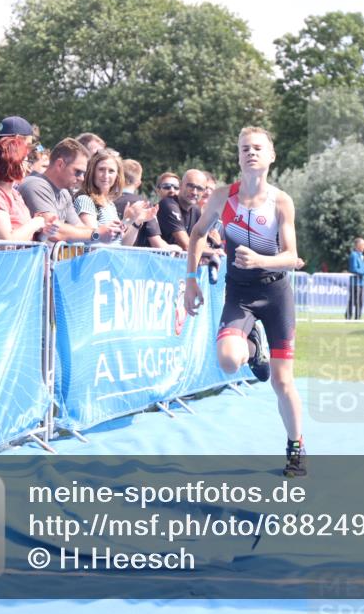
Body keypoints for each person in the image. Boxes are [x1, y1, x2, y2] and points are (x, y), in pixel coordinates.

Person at [184, 127, 304, 477]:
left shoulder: (281, 201)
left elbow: (292, 256)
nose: (251, 153)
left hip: (276, 293)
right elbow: (196, 235)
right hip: (240, 292)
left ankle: (296, 448)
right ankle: (252, 346)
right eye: (244, 149)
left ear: (271, 156)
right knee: (228, 361)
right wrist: (191, 282)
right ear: (238, 157)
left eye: (257, 148)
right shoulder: (221, 197)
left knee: (282, 383)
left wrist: (261, 261)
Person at [20, 138, 121, 243]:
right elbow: (55, 232)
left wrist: (106, 231)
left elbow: (79, 227)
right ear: (60, 164)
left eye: (83, 173)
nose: (82, 178)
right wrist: (97, 234)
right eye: (77, 172)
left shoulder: (64, 193)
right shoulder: (35, 185)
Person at [0, 137, 59, 241]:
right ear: (13, 162)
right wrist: (35, 223)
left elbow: (23, 236)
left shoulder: (15, 194)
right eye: (26, 160)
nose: (28, 166)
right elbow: (5, 242)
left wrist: (44, 231)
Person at [74, 150, 157, 246]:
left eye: (111, 171)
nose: (106, 175)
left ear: (117, 176)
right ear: (92, 172)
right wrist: (126, 220)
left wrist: (136, 221)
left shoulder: (110, 204)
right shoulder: (85, 200)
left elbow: (122, 244)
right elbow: (92, 240)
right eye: (101, 169)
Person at [115, 159, 170, 249]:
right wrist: (176, 248)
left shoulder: (107, 202)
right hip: (134, 259)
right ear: (138, 183)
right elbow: (157, 244)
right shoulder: (145, 205)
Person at [158, 169, 207, 250]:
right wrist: (213, 252)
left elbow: (202, 243)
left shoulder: (197, 210)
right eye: (190, 186)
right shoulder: (168, 204)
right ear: (180, 185)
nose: (194, 192)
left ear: (204, 192)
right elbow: (187, 246)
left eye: (199, 188)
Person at [346, 237, 364, 320]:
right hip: (355, 283)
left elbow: (362, 268)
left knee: (360, 301)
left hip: (361, 282)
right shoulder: (354, 255)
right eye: (363, 245)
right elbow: (354, 269)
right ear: (358, 245)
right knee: (353, 301)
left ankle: (357, 318)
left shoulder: (361, 256)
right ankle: (349, 317)